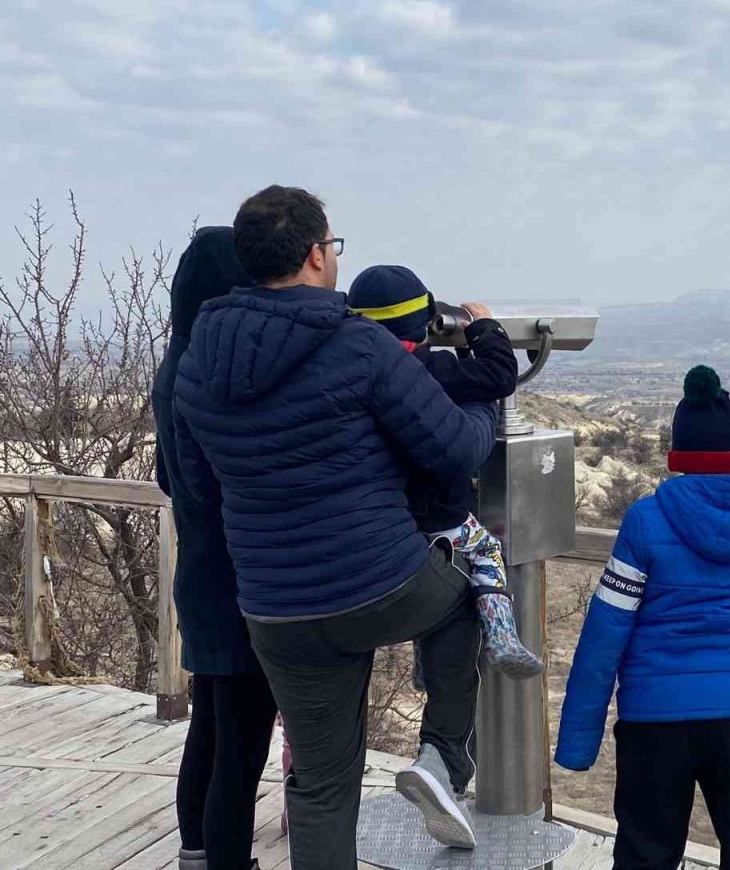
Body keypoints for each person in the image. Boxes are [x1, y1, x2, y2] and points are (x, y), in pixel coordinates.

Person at [172, 186, 497, 867]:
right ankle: (443, 758)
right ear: (318, 255)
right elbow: (458, 449)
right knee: (472, 594)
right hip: (378, 582)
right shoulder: (357, 346)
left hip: (274, 610)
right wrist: (488, 402)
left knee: (320, 787)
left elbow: (201, 483)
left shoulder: (198, 363)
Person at [555, 365, 730, 870]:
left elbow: (606, 631)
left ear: (679, 453)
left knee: (646, 853)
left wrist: (578, 742)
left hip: (653, 721)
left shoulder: (645, 520)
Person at [348, 264, 543, 680]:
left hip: (395, 524)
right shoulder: (435, 371)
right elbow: (498, 376)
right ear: (424, 323)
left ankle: (424, 665)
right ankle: (503, 635)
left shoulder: (356, 375)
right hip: (448, 517)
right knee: (487, 553)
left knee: (430, 586)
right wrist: (483, 328)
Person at [153, 228, 277, 870]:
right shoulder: (217, 374)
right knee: (242, 744)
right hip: (241, 580)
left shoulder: (175, 365)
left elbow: (166, 477)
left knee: (210, 725)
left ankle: (196, 853)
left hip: (202, 577)